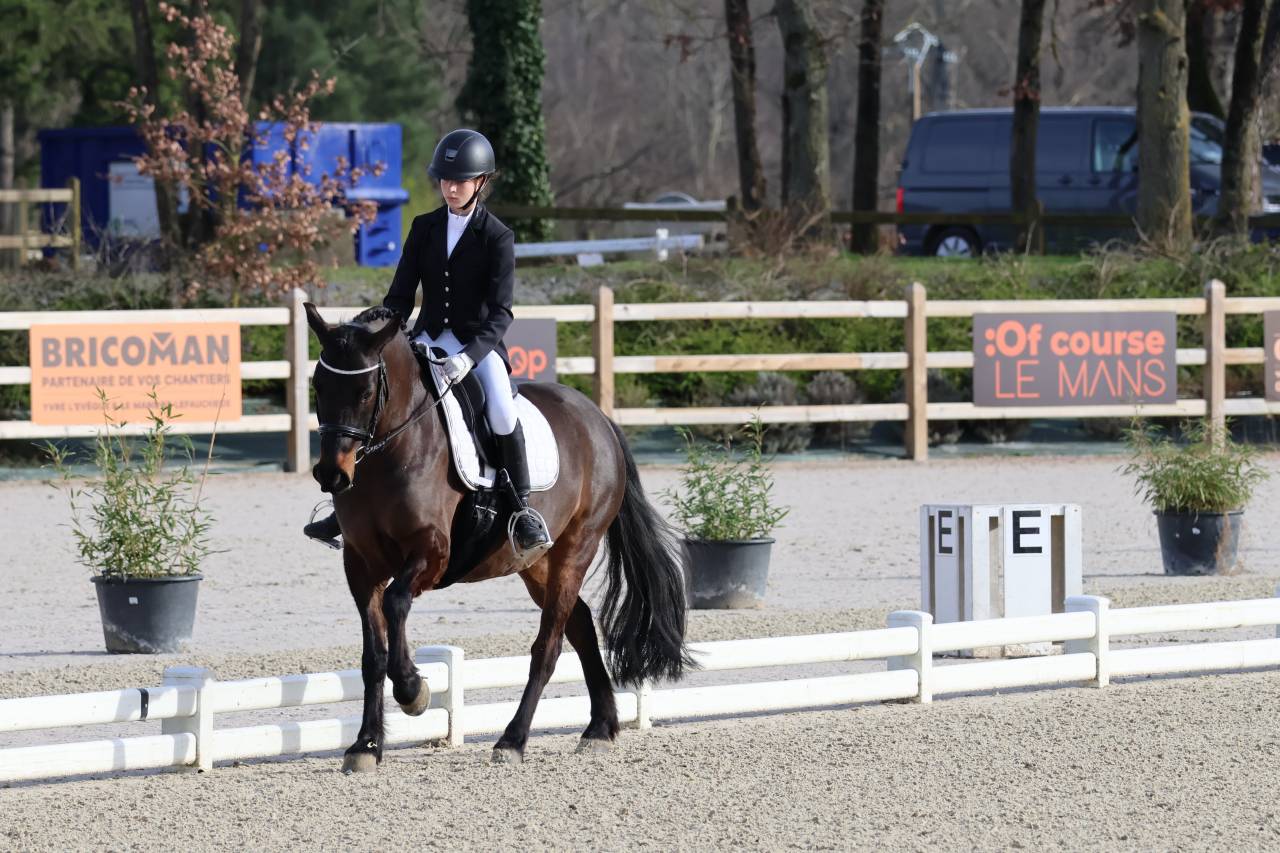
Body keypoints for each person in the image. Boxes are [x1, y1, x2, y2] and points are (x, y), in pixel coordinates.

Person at [304, 128, 553, 558]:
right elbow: (400, 296)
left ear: (481, 182)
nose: (452, 188)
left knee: (500, 407)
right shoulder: (424, 227)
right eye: (446, 180)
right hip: (425, 336)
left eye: (461, 181)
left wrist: (468, 357)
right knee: (379, 403)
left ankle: (522, 509)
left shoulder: (497, 236)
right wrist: (377, 331)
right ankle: (343, 506)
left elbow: (501, 313)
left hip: (477, 346)